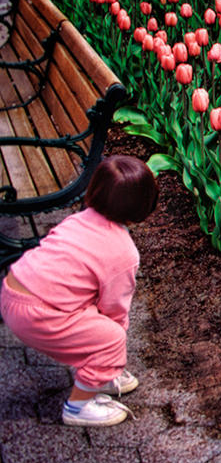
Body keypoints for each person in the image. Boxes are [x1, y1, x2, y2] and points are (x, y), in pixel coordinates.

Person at [1, 155, 158, 427]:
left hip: (12, 289)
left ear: (94, 189)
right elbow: (114, 309)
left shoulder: (78, 219)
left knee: (91, 318)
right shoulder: (123, 253)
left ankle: (102, 371)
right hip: (38, 313)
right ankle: (79, 405)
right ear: (143, 207)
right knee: (110, 338)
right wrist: (112, 351)